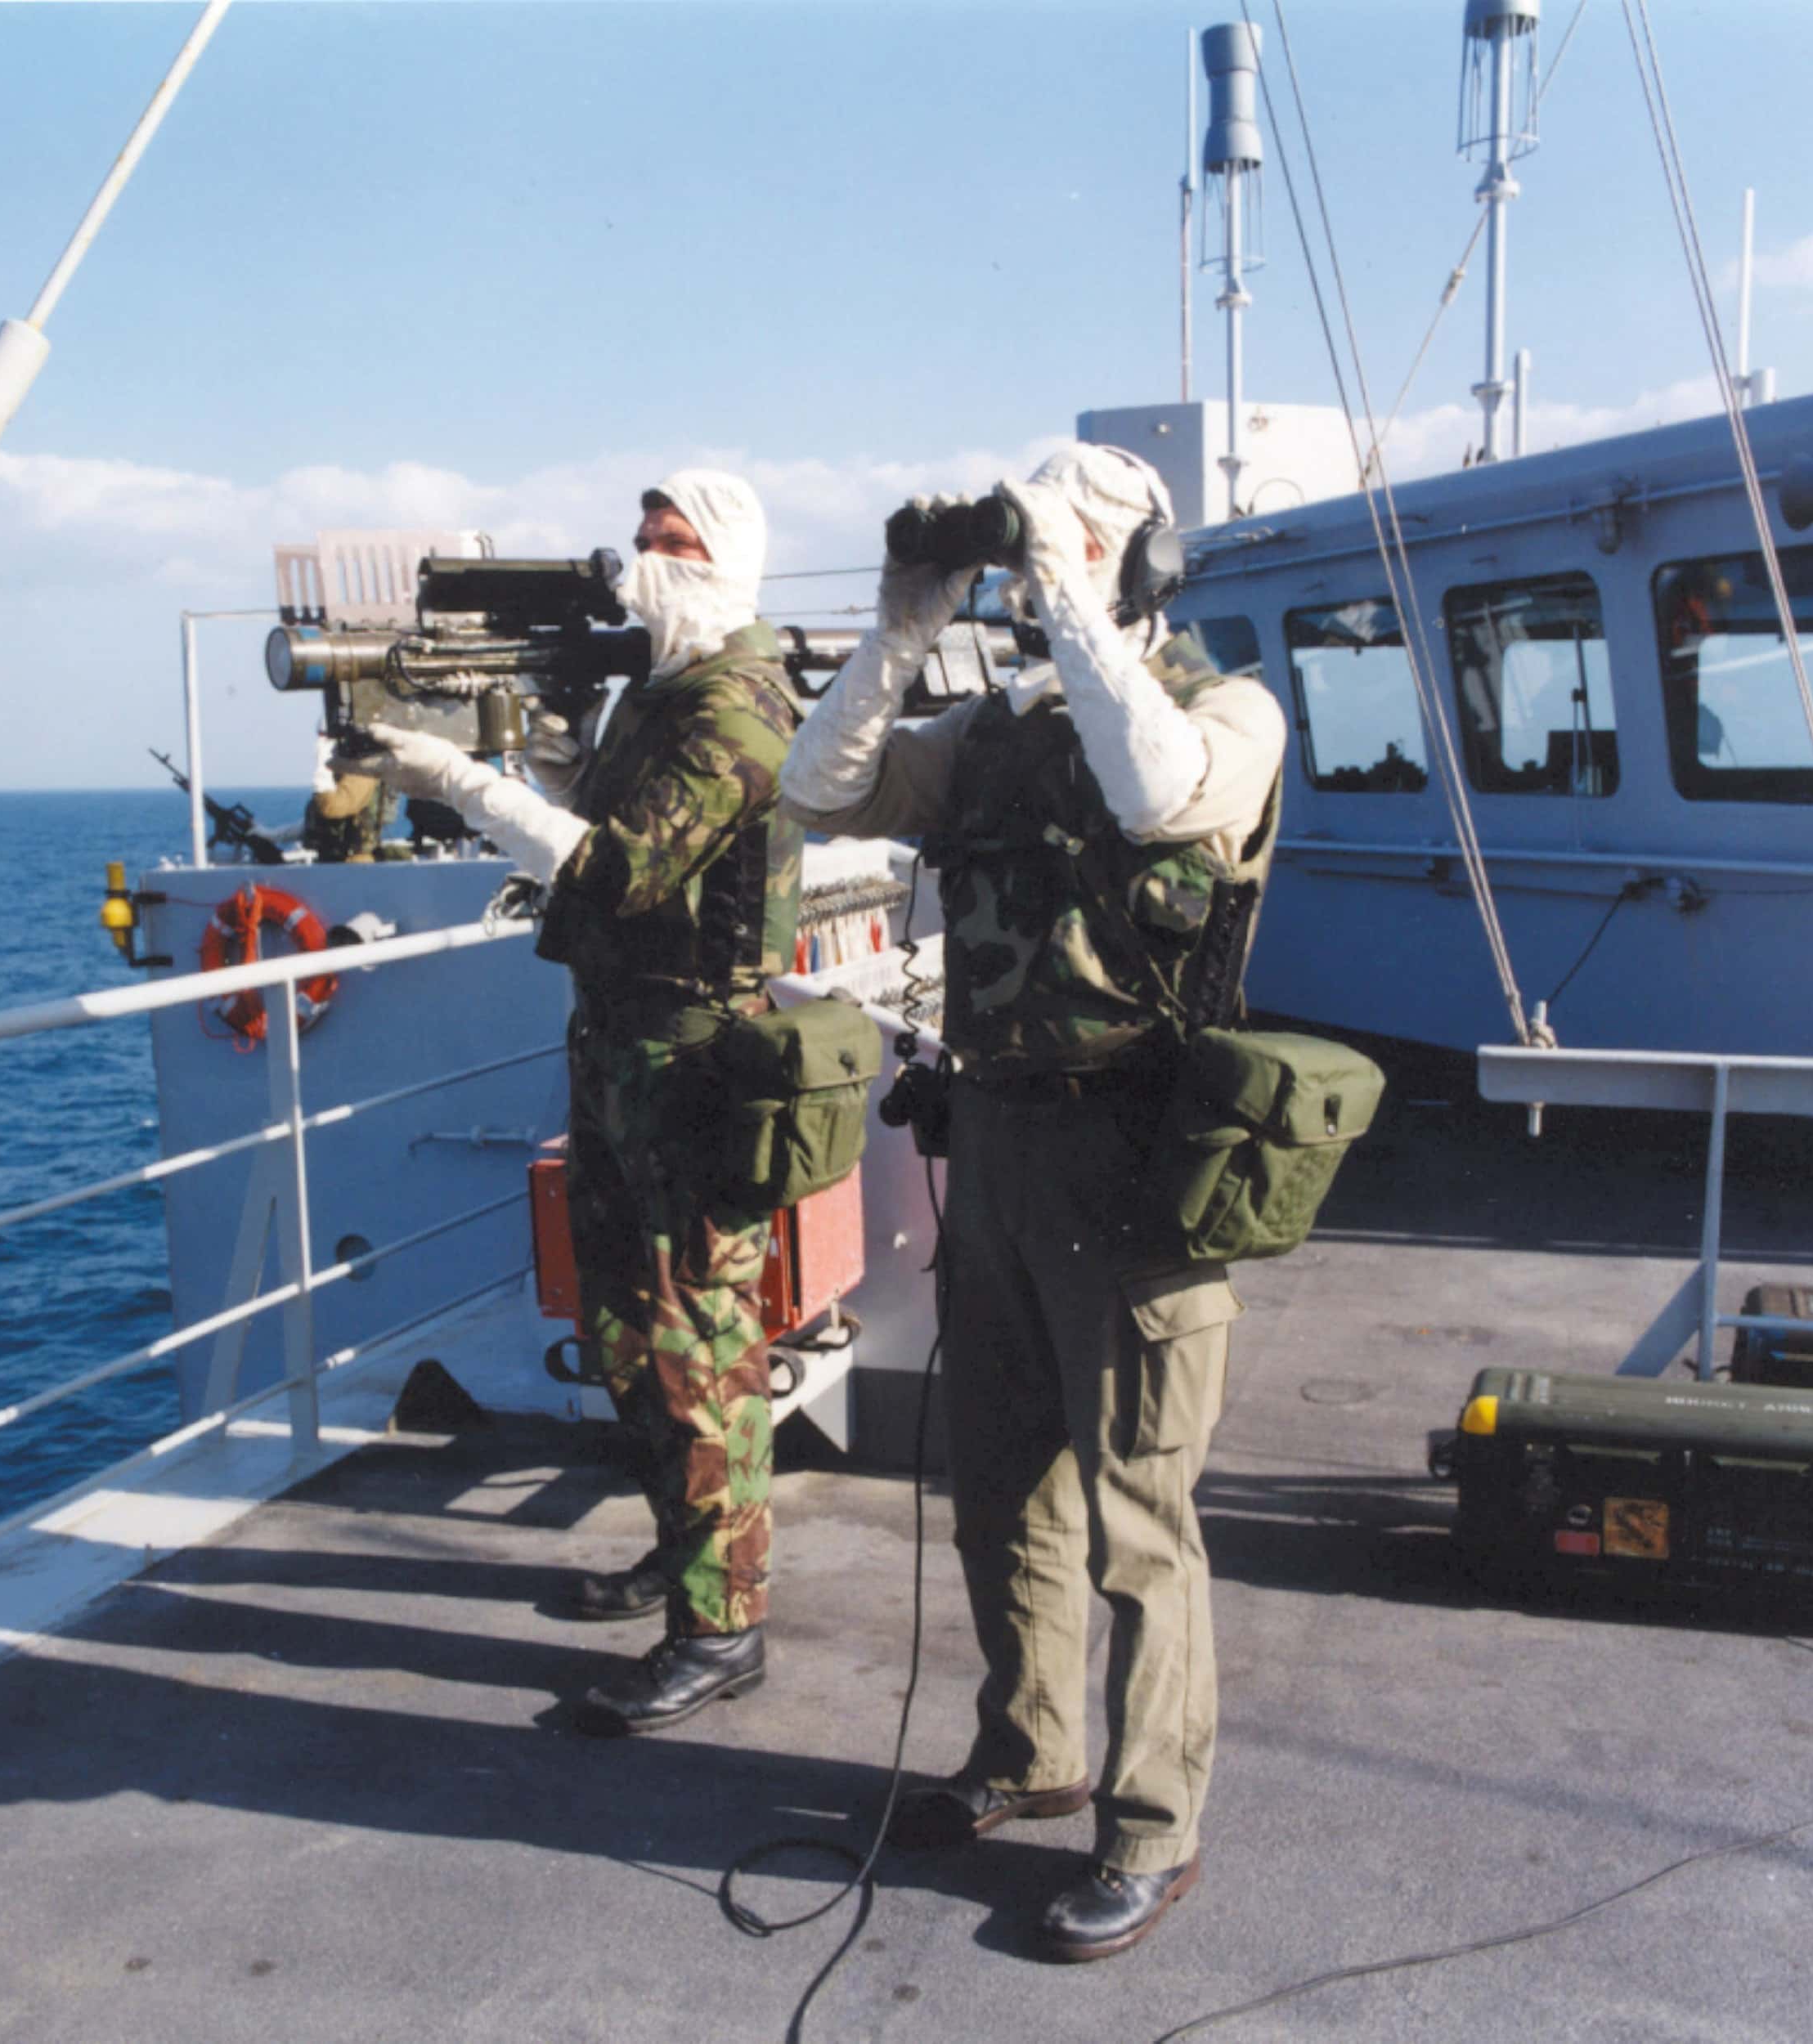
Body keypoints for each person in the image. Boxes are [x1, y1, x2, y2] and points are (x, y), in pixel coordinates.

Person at [779, 445, 1286, 1962]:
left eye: (1078, 542)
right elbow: (821, 791)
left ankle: (1151, 1828)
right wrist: (902, 620)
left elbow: (1154, 802)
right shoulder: (993, 737)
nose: (1037, 564)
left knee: (1139, 1515)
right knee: (999, 1486)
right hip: (994, 1147)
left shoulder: (1227, 712)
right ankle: (1029, 1749)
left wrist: (1069, 586)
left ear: (1140, 564)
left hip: (1135, 1156)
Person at [360, 470, 802, 1733]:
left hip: (690, 1052)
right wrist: (555, 742)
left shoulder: (736, 706)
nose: (647, 560)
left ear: (728, 564)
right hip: (621, 1041)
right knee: (627, 1330)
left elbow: (616, 871)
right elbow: (594, 810)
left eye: (677, 543)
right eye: (643, 539)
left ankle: (724, 1628)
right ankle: (687, 1549)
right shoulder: (663, 689)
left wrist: (458, 780)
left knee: (696, 1343)